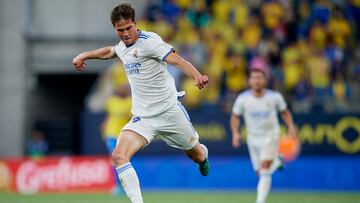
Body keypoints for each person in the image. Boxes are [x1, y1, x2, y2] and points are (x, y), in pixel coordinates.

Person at [72, 3, 210, 203]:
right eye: (120, 30)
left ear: (135, 23)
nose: (126, 33)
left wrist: (197, 75)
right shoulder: (123, 47)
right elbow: (110, 52)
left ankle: (203, 155)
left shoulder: (150, 42)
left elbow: (177, 60)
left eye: (129, 28)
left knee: (196, 156)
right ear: (115, 29)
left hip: (169, 112)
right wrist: (85, 55)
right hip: (143, 118)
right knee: (119, 155)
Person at [230, 69, 297, 203]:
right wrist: (235, 133)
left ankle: (260, 201)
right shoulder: (243, 99)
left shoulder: (274, 97)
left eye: (259, 78)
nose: (256, 81)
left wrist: (291, 126)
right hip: (253, 138)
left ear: (264, 80)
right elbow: (235, 117)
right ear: (249, 81)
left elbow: (285, 112)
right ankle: (277, 161)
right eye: (254, 78)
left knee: (265, 167)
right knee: (260, 172)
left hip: (271, 135)